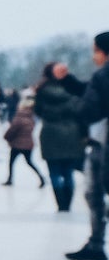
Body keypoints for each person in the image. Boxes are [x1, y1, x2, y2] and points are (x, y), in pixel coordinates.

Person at [65, 32, 109, 260]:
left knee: (95, 195)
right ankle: (95, 244)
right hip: (100, 143)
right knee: (94, 194)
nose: (94, 57)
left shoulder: (103, 75)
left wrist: (75, 108)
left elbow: (91, 107)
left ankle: (97, 243)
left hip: (102, 145)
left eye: (95, 51)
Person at [34, 61, 87, 212]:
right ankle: (68, 204)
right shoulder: (72, 90)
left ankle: (60, 204)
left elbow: (38, 111)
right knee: (68, 172)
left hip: (50, 132)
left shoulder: (43, 90)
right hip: (72, 133)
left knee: (54, 171)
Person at [1, 96, 46, 187]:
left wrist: (6, 137)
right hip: (28, 144)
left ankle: (10, 179)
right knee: (30, 162)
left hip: (17, 144)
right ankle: (41, 178)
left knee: (11, 162)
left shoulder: (19, 117)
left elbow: (12, 130)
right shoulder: (32, 118)